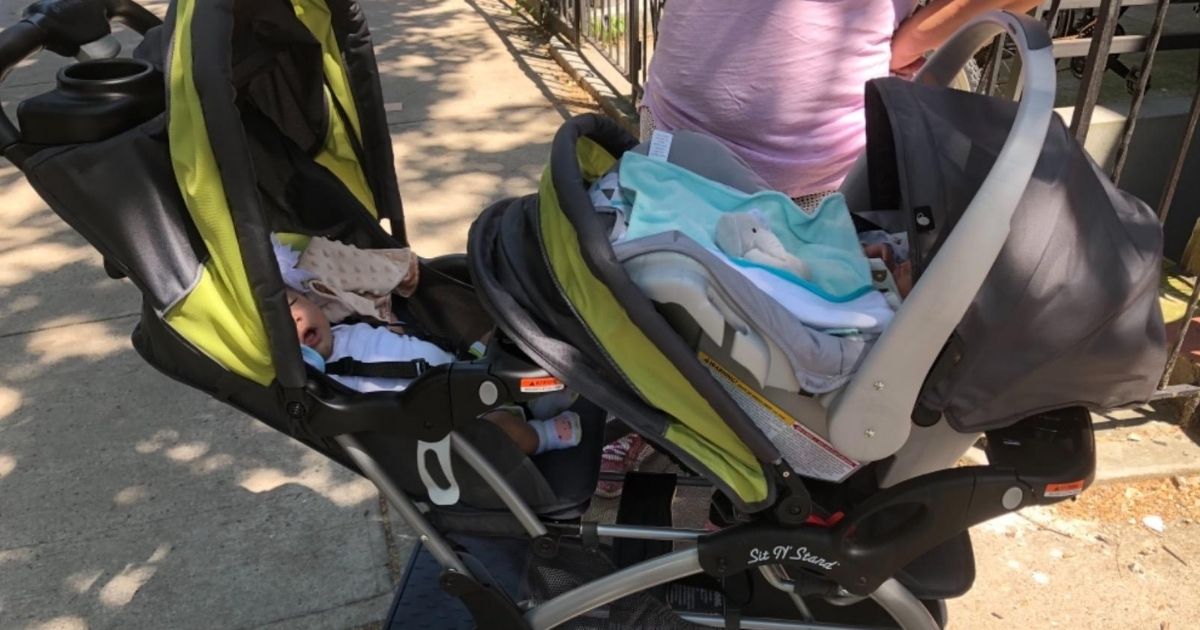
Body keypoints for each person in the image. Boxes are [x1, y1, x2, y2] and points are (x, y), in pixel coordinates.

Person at [597, 0, 1040, 497]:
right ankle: (656, 418)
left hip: (818, 169)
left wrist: (916, 38)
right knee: (662, 299)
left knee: (771, 350)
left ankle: (750, 466)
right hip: (681, 128)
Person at [287, 288, 582, 455]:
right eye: (284, 328)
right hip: (449, 415)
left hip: (461, 364)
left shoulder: (347, 325)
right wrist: (303, 361)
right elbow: (308, 385)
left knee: (499, 337)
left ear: (313, 301)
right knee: (502, 430)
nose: (295, 320)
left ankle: (537, 401)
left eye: (294, 304)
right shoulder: (322, 379)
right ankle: (542, 435)